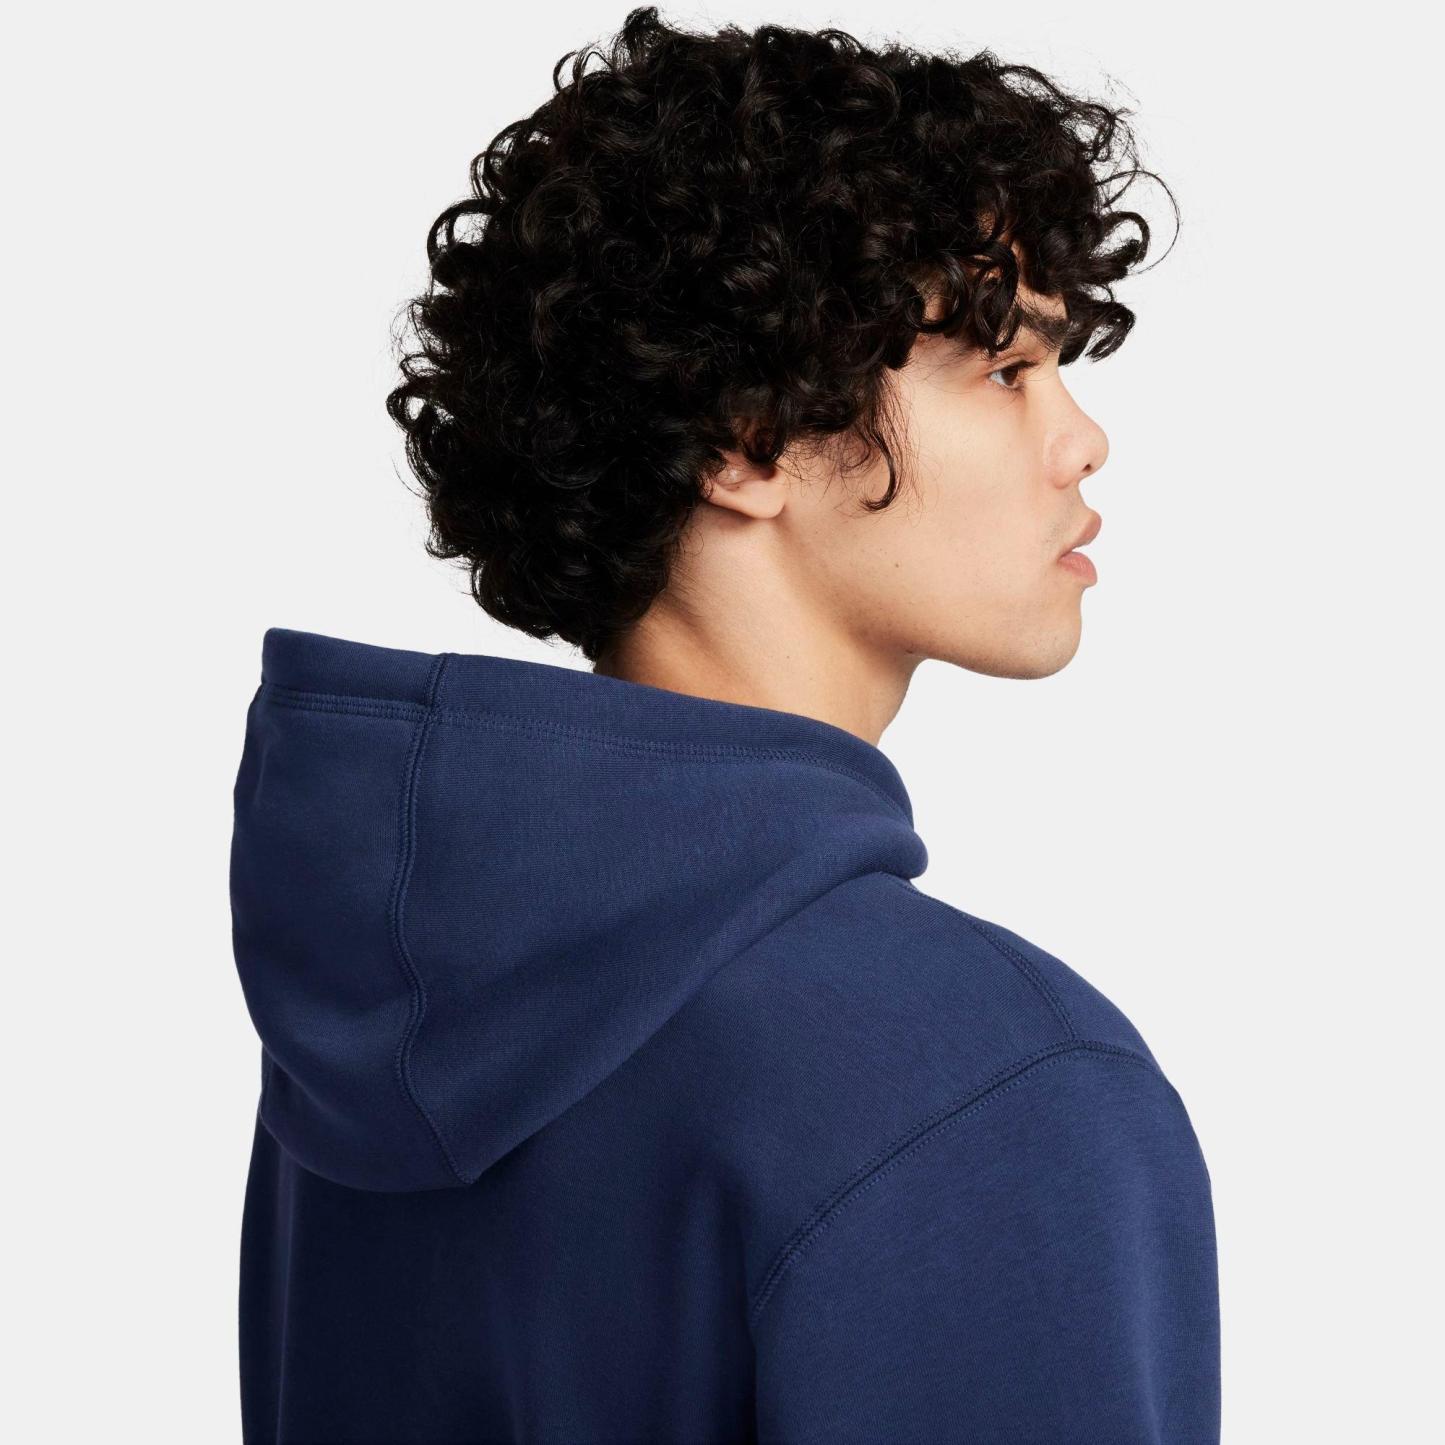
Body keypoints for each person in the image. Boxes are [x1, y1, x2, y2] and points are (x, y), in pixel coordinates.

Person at [230, 7, 1218, 1440]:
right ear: (748, 436)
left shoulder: (386, 1038)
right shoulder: (984, 1080)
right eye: (1004, 369)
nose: (1080, 439)